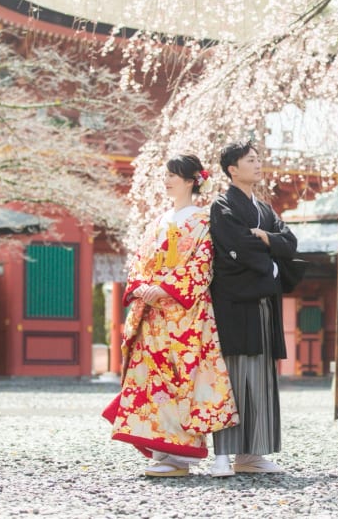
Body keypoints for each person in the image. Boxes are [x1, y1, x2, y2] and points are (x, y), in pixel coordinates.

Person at [102, 154, 238, 477]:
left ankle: (180, 455)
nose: (167, 180)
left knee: (183, 380)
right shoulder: (158, 222)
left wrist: (163, 289)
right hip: (154, 316)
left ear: (192, 180)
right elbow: (140, 263)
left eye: (174, 175)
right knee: (152, 381)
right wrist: (142, 288)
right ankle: (162, 450)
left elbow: (201, 267)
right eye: (166, 174)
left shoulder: (203, 222)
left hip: (184, 317)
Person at [208, 141, 298, 476]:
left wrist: (267, 239)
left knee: (261, 375)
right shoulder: (221, 206)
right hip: (234, 303)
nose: (258, 164)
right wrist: (271, 264)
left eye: (259, 159)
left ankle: (251, 454)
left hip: (262, 303)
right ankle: (223, 452)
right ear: (232, 168)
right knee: (232, 376)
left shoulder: (264, 208)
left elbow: (290, 242)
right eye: (251, 160)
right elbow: (236, 247)